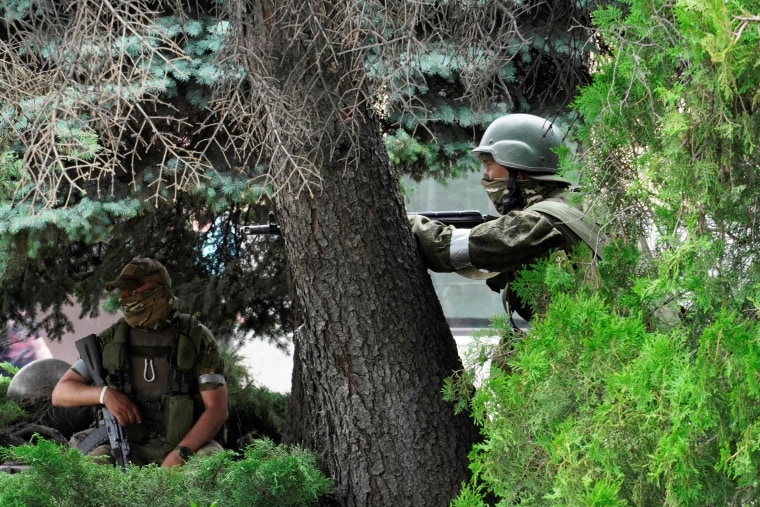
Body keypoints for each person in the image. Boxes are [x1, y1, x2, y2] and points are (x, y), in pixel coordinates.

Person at [408, 113, 601, 331]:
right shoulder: (573, 205)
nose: (486, 174)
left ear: (517, 170)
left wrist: (410, 224)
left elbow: (449, 248)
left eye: (490, 164)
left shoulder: (538, 221)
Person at [52, 257, 229, 467]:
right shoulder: (111, 340)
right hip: (125, 444)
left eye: (133, 290)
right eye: (123, 292)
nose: (125, 297)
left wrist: (181, 454)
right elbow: (61, 393)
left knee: (212, 465)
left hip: (185, 444)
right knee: (91, 470)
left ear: (160, 290)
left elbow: (217, 409)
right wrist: (104, 394)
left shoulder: (195, 338)